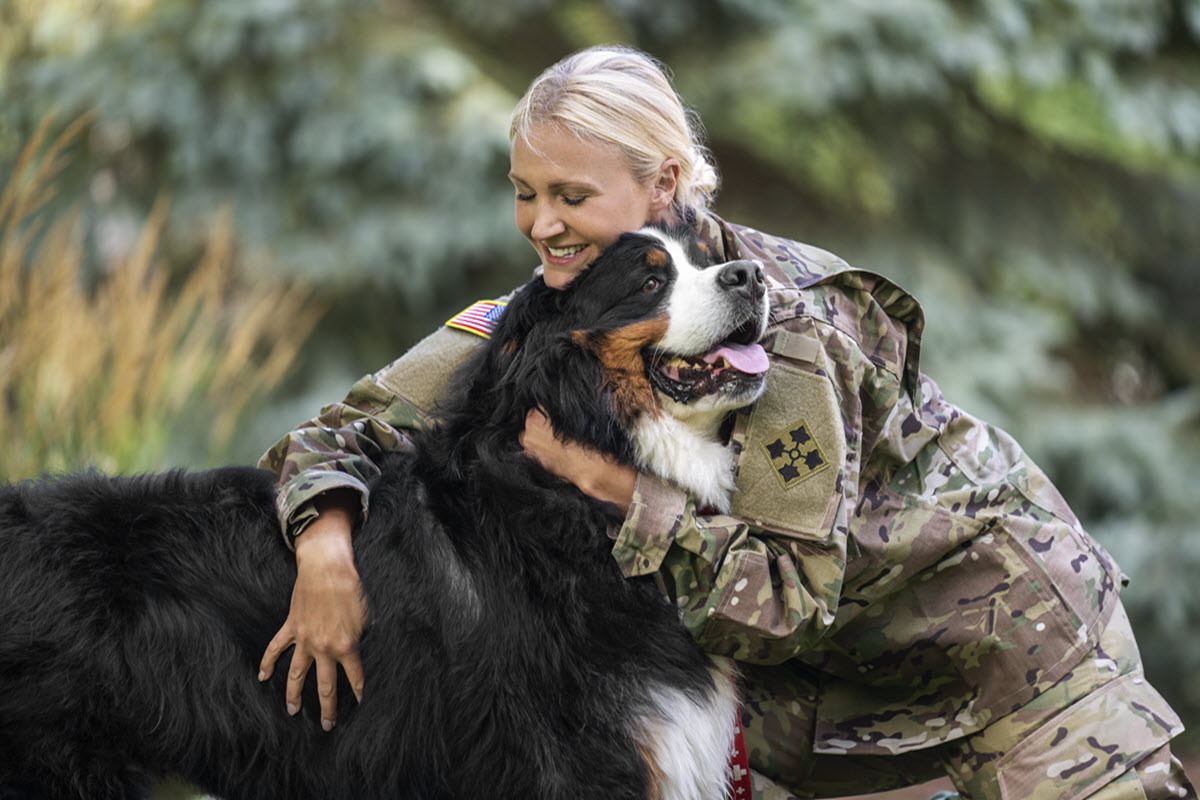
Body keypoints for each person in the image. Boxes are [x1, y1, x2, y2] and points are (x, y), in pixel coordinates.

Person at [255, 45, 1194, 800]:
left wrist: (612, 485)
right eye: (524, 192)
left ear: (663, 183)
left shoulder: (776, 326)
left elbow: (785, 600)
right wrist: (324, 548)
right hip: (826, 715)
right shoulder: (555, 308)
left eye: (572, 196)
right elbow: (339, 431)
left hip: (1010, 669)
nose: (541, 225)